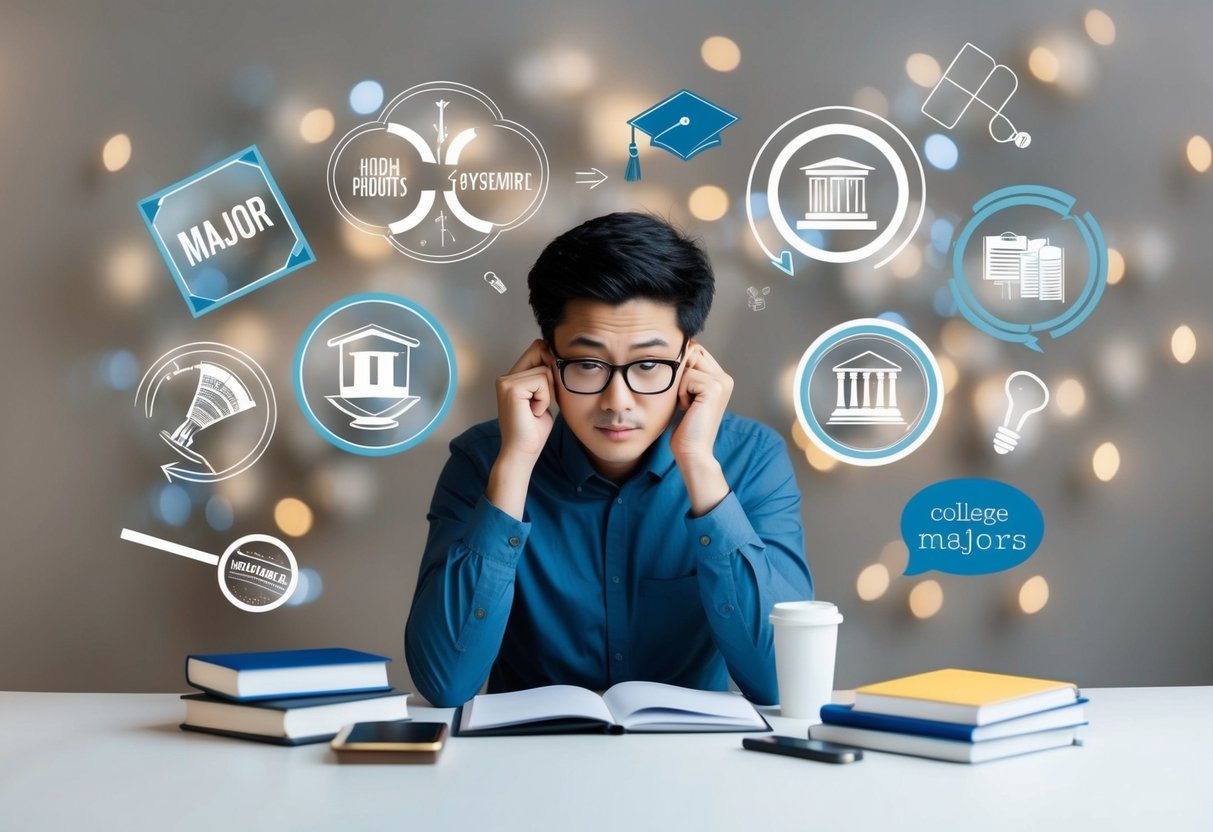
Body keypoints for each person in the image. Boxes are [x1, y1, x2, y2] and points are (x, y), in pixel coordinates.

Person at [405, 212, 813, 708]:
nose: (617, 401)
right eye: (587, 363)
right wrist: (514, 465)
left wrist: (699, 466)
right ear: (546, 363)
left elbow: (781, 679)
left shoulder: (750, 460)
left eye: (648, 365)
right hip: (525, 767)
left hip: (691, 770)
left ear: (691, 363)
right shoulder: (483, 460)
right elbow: (443, 683)